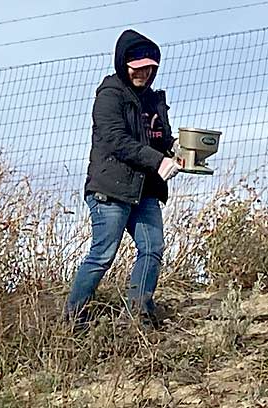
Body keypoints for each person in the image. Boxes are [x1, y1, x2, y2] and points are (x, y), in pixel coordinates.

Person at [65, 29, 181, 329]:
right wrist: (158, 161)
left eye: (149, 67)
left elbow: (161, 139)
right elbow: (116, 139)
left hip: (145, 190)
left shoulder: (155, 101)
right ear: (123, 63)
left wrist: (178, 151)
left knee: (152, 248)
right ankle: (73, 318)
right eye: (137, 65)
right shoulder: (109, 95)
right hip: (111, 189)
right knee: (102, 254)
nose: (143, 72)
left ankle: (139, 314)